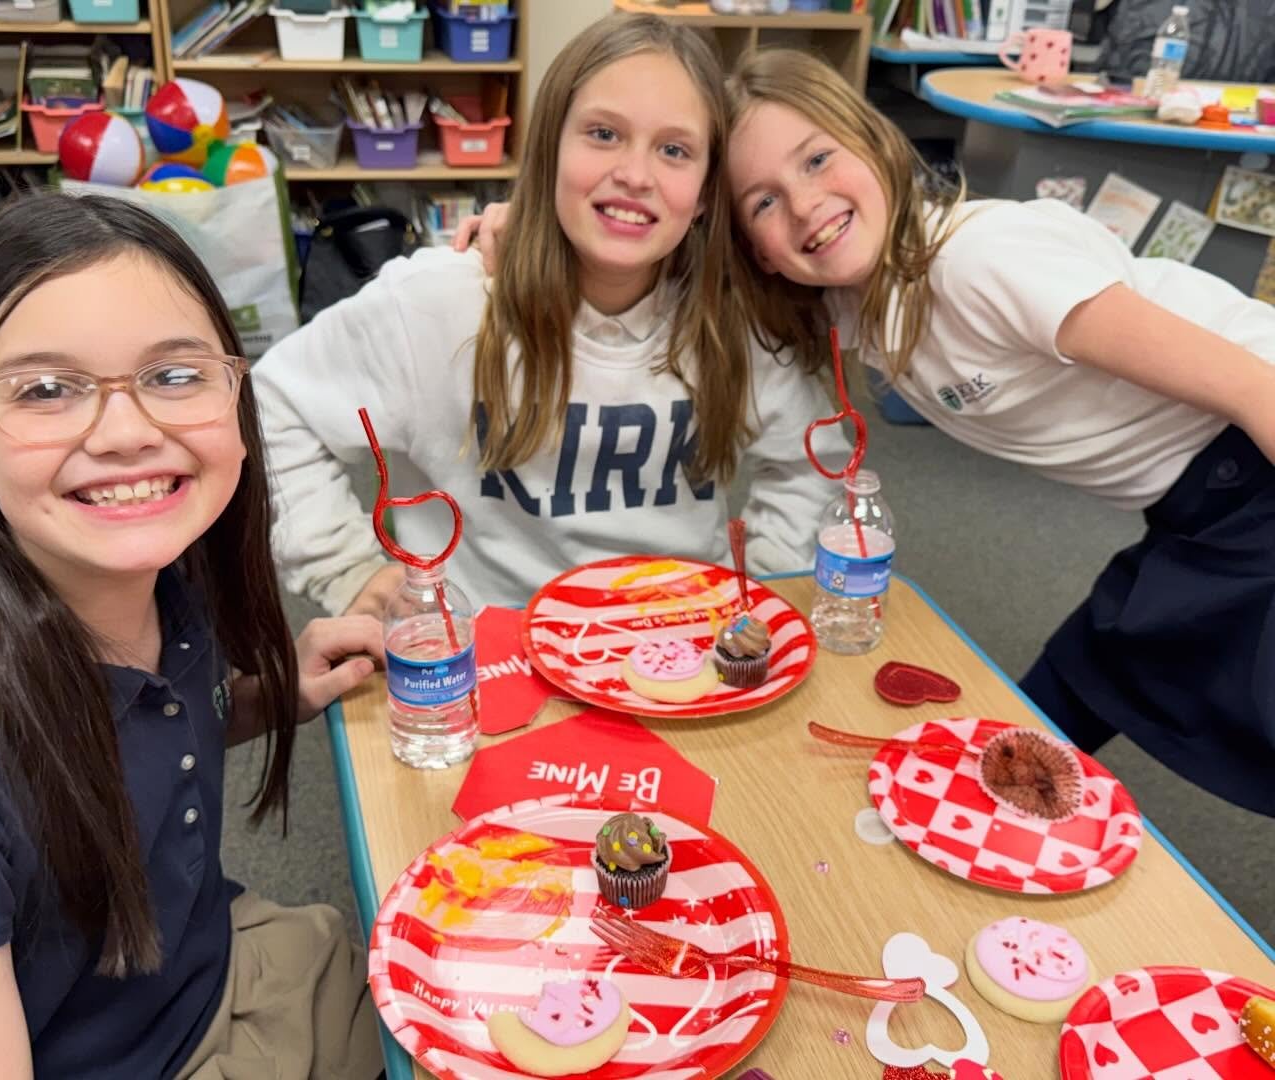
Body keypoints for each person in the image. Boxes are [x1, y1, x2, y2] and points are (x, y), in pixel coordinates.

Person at [0, 193, 385, 1079]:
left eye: (174, 375)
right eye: (46, 390)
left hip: (211, 970)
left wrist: (274, 694)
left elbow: (134, 734)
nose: (129, 434)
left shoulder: (159, 567)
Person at [720, 48, 1275, 815]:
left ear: (874, 143)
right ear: (757, 252)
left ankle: (986, 806)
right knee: (1093, 667)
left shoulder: (977, 260)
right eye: (764, 202)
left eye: (817, 159)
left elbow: (1253, 386)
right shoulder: (853, 299)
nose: (806, 204)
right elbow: (690, 293)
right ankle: (993, 803)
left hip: (1252, 457)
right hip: (1192, 502)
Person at [254, 13, 847, 618]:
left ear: (704, 194)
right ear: (549, 150)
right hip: (487, 651)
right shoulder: (434, 305)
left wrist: (767, 590)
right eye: (603, 134)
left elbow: (811, 464)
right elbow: (271, 407)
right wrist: (346, 571)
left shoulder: (732, 319)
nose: (634, 175)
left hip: (677, 646)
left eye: (674, 150)